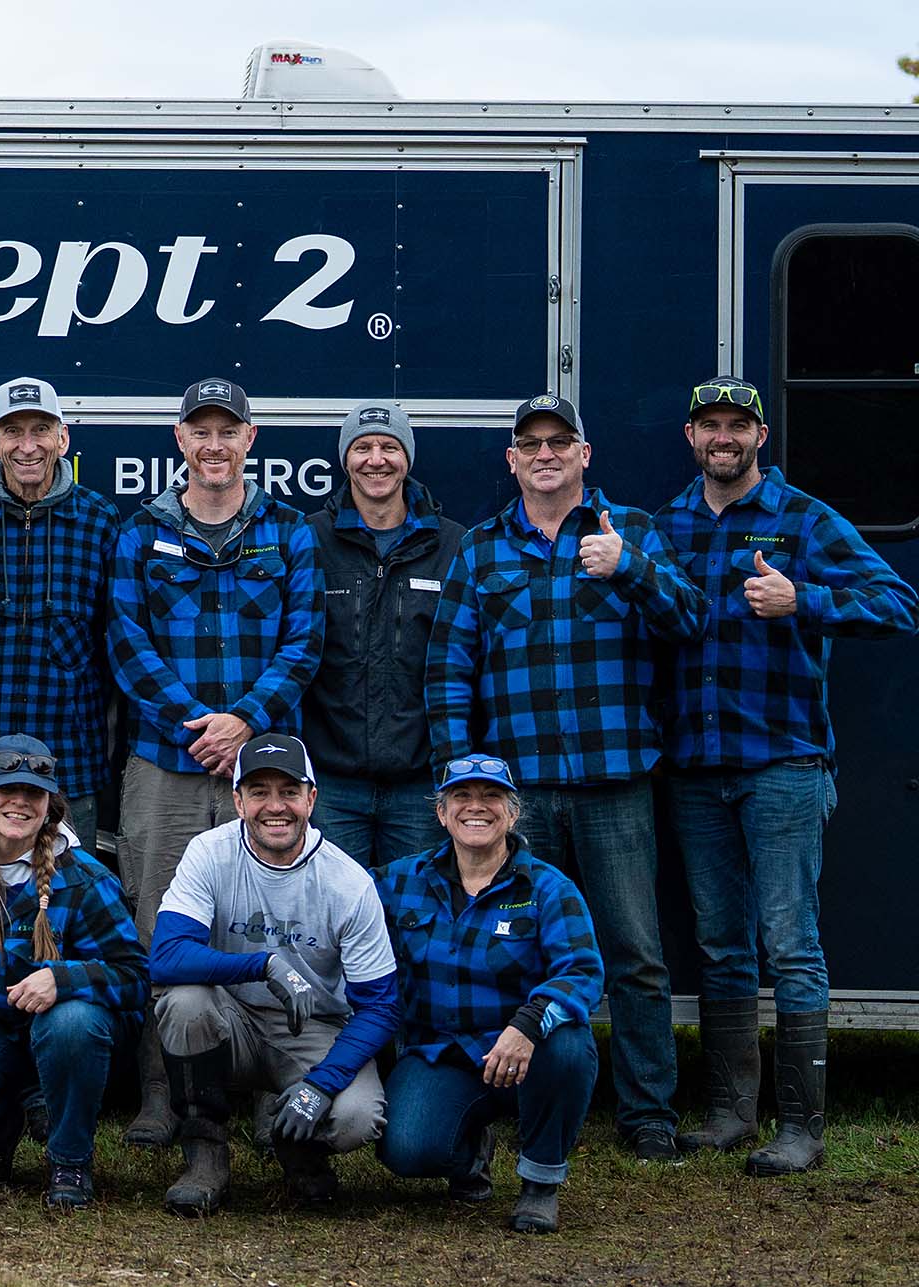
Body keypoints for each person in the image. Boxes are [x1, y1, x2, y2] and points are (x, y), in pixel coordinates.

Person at [425, 392, 706, 1161]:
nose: (545, 454)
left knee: (634, 952)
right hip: (520, 799)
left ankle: (649, 1112)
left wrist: (631, 570)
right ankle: (510, 1093)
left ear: (586, 454)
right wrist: (461, 786)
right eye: (531, 443)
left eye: (560, 441)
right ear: (512, 460)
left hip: (616, 784)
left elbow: (690, 621)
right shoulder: (482, 551)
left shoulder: (632, 532)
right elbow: (449, 672)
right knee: (512, 951)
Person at [654, 378, 919, 1175]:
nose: (724, 437)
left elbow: (898, 602)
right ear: (691, 435)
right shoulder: (665, 525)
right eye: (711, 425)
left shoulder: (803, 518)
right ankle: (732, 1111)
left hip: (784, 767)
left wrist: (805, 598)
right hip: (698, 770)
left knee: (790, 943)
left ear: (759, 435)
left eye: (739, 424)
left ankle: (802, 1126)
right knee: (721, 945)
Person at [107, 377, 323, 1148]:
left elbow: (305, 643)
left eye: (227, 431)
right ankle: (161, 1093)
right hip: (166, 761)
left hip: (263, 768)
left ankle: (274, 1089)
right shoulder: (139, 532)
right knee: (156, 926)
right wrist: (199, 725)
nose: (214, 445)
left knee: (271, 927)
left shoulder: (289, 531)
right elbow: (126, 644)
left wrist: (244, 723)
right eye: (200, 431)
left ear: (250, 439)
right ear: (179, 440)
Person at [150, 736, 398, 1215]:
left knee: (355, 1117)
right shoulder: (209, 852)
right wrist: (263, 963)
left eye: (289, 790)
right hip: (231, 1016)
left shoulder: (348, 882)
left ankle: (299, 1152)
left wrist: (322, 1084)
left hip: (314, 1028)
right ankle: (205, 1157)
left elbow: (381, 1005)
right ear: (238, 800)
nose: (275, 806)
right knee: (183, 1002)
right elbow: (166, 955)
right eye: (259, 791)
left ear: (312, 798)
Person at [0, 735, 148, 1212]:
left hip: (67, 1029)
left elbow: (135, 978)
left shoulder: (85, 878)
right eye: (7, 790)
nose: (19, 802)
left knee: (71, 1023)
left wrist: (64, 980)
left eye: (34, 794)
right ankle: (6, 1119)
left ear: (49, 805)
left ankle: (70, 1159)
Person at [374, 753, 604, 1235]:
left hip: (524, 1052)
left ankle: (540, 1182)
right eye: (462, 796)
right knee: (406, 1150)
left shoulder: (548, 888)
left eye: (491, 797)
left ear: (513, 812)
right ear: (441, 812)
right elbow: (341, 918)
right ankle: (469, 1153)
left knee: (567, 1044)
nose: (476, 807)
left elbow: (581, 972)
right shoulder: (397, 881)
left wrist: (526, 1024)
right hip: (441, 1051)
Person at [0, 376, 121, 844]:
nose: (28, 445)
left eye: (41, 429)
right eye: (13, 431)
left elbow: (119, 643)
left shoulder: (99, 521)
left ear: (63, 437)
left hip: (68, 762)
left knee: (71, 904)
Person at [304, 403, 463, 866]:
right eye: (363, 447)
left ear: (407, 458)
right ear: (345, 459)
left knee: (415, 922)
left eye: (389, 447)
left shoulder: (451, 544)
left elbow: (466, 661)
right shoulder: (310, 539)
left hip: (419, 784)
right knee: (330, 924)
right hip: (331, 785)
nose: (376, 459)